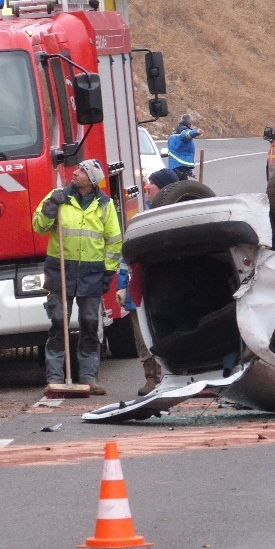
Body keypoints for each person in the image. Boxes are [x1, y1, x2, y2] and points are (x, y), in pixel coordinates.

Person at [32, 159, 122, 395]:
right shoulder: (58, 196)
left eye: (82, 171)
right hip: (60, 271)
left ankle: (89, 377)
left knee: (91, 325)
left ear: (91, 181)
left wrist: (109, 272)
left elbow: (113, 241)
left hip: (91, 274)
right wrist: (51, 205)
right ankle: (54, 378)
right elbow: (38, 226)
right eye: (78, 168)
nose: (76, 172)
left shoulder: (105, 205)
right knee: (59, 324)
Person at [116, 167, 179, 395]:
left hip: (168, 287)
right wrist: (123, 285)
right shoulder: (142, 219)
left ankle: (178, 375)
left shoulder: (179, 216)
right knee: (142, 336)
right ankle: (152, 378)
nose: (147, 188)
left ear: (163, 188)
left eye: (151, 184)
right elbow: (127, 255)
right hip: (140, 287)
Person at [166, 113, 203, 180]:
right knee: (183, 186)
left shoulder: (174, 132)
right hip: (181, 164)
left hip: (174, 165)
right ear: (189, 124)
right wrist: (196, 132)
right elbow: (187, 134)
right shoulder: (183, 130)